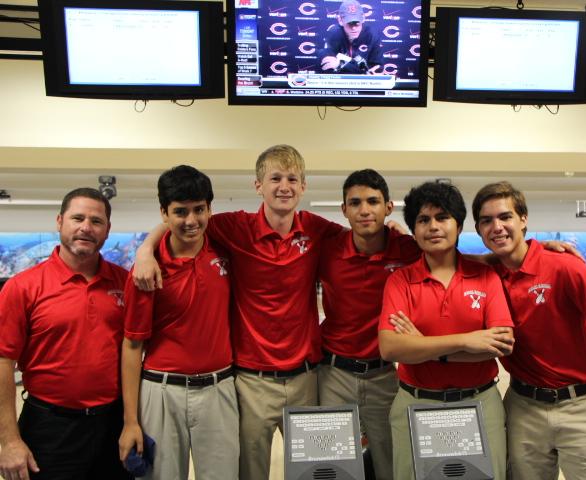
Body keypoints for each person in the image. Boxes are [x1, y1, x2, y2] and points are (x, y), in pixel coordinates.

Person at [132, 145, 345, 480]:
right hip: (250, 382)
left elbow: (364, 238)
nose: (284, 186)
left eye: (292, 178)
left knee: (315, 473)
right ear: (258, 185)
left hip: (306, 378)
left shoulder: (317, 230)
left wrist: (396, 231)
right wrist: (145, 249)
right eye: (275, 178)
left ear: (304, 186)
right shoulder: (233, 227)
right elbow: (183, 220)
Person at [472, 181, 586, 480]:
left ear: (523, 219)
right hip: (522, 408)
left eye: (505, 217)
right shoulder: (488, 273)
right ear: (479, 230)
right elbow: (445, 257)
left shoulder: (565, 267)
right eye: (486, 220)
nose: (497, 226)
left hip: (579, 407)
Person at [379, 180, 515, 480]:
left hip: (480, 402)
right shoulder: (400, 281)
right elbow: (390, 348)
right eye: (423, 220)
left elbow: (501, 344)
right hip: (416, 402)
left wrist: (425, 348)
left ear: (458, 225)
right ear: (414, 230)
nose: (433, 227)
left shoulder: (485, 276)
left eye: (442, 217)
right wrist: (467, 341)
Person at [0, 188, 131, 480]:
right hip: (49, 428)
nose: (86, 227)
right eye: (78, 218)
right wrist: (8, 441)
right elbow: (2, 362)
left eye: (96, 221)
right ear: (60, 221)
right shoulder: (23, 287)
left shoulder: (125, 283)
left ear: (108, 230)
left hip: (112, 425)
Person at [118, 166, 238, 479]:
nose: (191, 221)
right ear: (164, 213)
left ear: (210, 209)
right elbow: (132, 346)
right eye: (180, 212)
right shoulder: (146, 272)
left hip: (219, 388)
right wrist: (131, 421)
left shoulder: (225, 250)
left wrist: (145, 245)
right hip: (161, 390)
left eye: (199, 210)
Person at [318, 169, 420, 480]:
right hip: (334, 374)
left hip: (384, 374)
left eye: (373, 201)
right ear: (344, 210)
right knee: (334, 464)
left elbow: (458, 263)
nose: (365, 210)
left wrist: (523, 255)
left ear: (389, 207)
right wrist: (159, 237)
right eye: (356, 202)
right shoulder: (328, 249)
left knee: (390, 460)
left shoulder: (407, 250)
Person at [319, 0, 384, 74]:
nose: (354, 28)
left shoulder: (372, 35)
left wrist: (340, 65)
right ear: (340, 20)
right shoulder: (333, 33)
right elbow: (328, 65)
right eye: (349, 23)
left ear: (363, 18)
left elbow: (376, 69)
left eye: (357, 23)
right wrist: (360, 69)